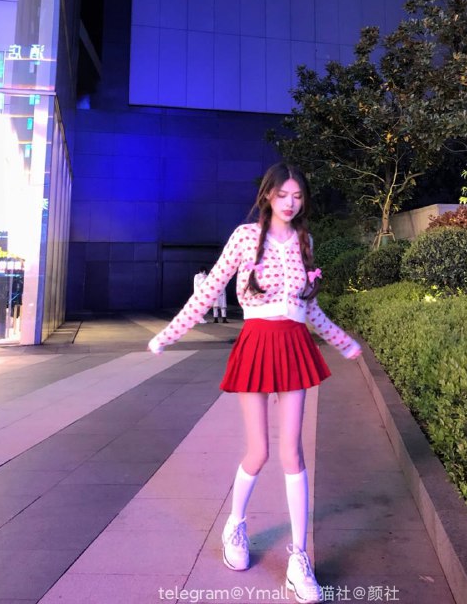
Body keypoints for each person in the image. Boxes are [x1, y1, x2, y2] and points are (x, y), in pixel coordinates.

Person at [148, 163, 362, 604]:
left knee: (292, 452)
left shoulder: (305, 241)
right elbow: (208, 291)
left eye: (298, 196)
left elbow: (309, 309)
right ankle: (235, 525)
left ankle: (299, 558)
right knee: (259, 450)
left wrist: (343, 342)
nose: (291, 203)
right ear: (267, 195)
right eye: (283, 194)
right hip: (256, 344)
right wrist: (168, 334)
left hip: (294, 345)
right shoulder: (245, 237)